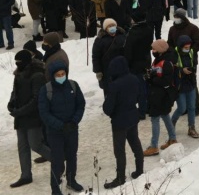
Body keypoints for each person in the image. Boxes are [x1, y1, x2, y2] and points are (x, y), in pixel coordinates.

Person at [38, 61, 86, 195]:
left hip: (72, 129)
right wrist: (60, 125)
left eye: (63, 74)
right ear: (53, 76)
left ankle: (71, 180)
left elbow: (80, 104)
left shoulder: (73, 86)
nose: (61, 76)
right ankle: (55, 188)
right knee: (57, 160)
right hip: (55, 132)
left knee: (72, 156)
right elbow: (44, 113)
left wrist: (74, 121)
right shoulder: (46, 90)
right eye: (58, 75)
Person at [8, 50, 51, 188]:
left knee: (35, 144)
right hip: (21, 116)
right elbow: (15, 91)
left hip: (33, 116)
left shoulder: (37, 75)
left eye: (19, 62)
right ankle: (25, 175)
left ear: (26, 62)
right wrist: (11, 102)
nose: (17, 64)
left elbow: (36, 99)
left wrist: (20, 111)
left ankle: (58, 160)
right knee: (22, 147)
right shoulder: (18, 74)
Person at [102, 56, 144, 189]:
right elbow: (139, 96)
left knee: (119, 151)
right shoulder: (134, 78)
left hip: (119, 122)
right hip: (133, 117)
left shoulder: (114, 85)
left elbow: (108, 108)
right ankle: (139, 169)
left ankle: (120, 178)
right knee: (135, 143)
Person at [143, 39, 177, 156]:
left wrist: (152, 78)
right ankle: (172, 138)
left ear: (161, 50)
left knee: (155, 119)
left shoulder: (166, 63)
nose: (152, 51)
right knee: (165, 116)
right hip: (158, 95)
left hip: (161, 96)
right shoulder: (157, 60)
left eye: (154, 49)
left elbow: (165, 80)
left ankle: (154, 146)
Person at [124, 10, 153, 120]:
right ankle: (148, 107)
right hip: (146, 61)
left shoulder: (133, 32)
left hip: (135, 64)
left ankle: (141, 111)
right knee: (146, 85)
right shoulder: (149, 29)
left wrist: (127, 63)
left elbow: (129, 50)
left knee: (139, 88)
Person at [171, 35, 199, 138]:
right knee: (182, 108)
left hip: (190, 82)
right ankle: (172, 122)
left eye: (189, 47)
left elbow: (195, 63)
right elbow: (171, 69)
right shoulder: (174, 53)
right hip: (180, 85)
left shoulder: (192, 52)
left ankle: (191, 127)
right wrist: (182, 70)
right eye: (186, 47)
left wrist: (192, 70)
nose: (188, 49)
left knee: (192, 107)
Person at [92, 19, 126, 96]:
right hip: (107, 71)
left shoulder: (122, 36)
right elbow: (96, 57)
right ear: (105, 28)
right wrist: (98, 72)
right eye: (109, 26)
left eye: (113, 25)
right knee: (109, 93)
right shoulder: (99, 40)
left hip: (121, 69)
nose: (112, 27)